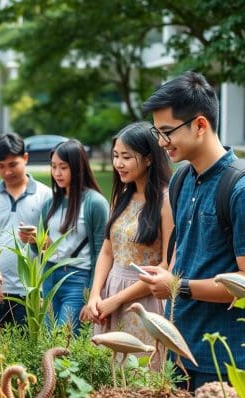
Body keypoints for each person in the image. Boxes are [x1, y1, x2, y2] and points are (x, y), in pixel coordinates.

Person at [138, 71, 245, 391]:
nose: (161, 142)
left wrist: (177, 286)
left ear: (200, 125)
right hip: (182, 350)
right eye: (157, 132)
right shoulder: (181, 179)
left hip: (230, 358)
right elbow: (183, 255)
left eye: (167, 131)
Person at [80, 122, 172, 368]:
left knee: (140, 374)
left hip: (145, 303)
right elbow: (107, 251)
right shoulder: (121, 196)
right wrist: (95, 295)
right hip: (110, 296)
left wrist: (117, 299)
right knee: (108, 374)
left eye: (126, 157)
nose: (118, 164)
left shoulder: (166, 200)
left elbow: (165, 265)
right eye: (115, 156)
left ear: (149, 159)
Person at [19, 139, 109, 335]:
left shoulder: (95, 203)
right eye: (53, 167)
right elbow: (41, 251)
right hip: (50, 277)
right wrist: (33, 241)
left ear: (78, 168)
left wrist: (92, 295)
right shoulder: (51, 203)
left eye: (63, 167)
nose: (57, 173)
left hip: (77, 279)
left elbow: (102, 252)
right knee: (48, 340)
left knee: (63, 340)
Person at [0, 133, 51, 326]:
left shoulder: (46, 195)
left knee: (27, 347)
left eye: (13, 165)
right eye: (1, 166)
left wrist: (38, 240)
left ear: (25, 158)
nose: (7, 172)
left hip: (31, 289)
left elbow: (53, 244)